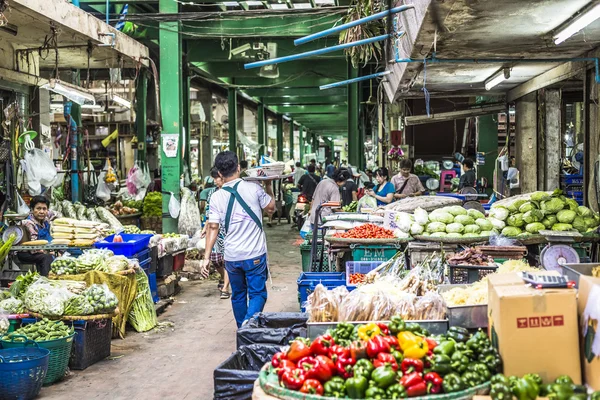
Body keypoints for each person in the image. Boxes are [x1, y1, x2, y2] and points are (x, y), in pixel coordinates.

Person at [201, 151, 276, 327]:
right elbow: (271, 209)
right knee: (258, 294)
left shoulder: (216, 196)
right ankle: (248, 325)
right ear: (239, 168)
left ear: (219, 173)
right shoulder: (254, 187)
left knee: (238, 294)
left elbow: (213, 227)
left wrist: (206, 257)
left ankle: (243, 330)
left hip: (232, 257)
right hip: (254, 254)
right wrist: (268, 185)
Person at [200, 168, 231, 299]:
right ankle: (224, 277)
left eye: (216, 178)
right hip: (215, 231)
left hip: (229, 230)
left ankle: (225, 287)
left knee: (228, 259)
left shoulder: (231, 192)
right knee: (216, 259)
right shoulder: (212, 193)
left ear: (222, 177)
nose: (215, 181)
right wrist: (205, 227)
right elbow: (209, 212)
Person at [19, 196, 55, 276]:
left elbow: (56, 214)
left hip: (43, 250)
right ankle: (45, 281)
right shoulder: (29, 223)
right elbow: (33, 249)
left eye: (44, 209)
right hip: (27, 252)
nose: (41, 212)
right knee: (46, 257)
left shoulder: (45, 220)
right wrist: (50, 252)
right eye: (38, 208)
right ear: (32, 209)